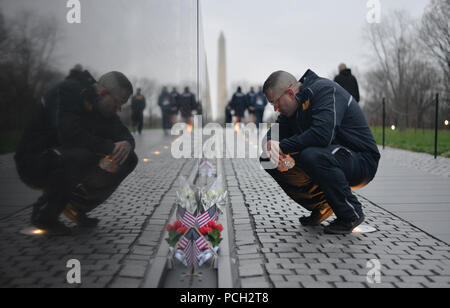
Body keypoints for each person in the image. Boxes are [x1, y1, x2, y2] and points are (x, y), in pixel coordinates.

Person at [14, 70, 138, 235]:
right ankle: (44, 215)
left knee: (128, 158)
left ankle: (76, 205)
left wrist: (127, 144)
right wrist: (109, 147)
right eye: (118, 102)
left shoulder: (103, 110)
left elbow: (123, 134)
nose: (119, 109)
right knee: (82, 156)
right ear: (103, 92)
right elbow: (70, 134)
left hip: (65, 157)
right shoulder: (67, 92)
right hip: (34, 160)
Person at [261, 69, 380, 234]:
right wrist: (271, 146)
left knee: (311, 155)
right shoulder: (291, 110)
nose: (275, 109)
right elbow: (274, 134)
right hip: (328, 157)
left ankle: (350, 213)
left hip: (361, 160)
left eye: (276, 103)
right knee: (269, 159)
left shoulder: (324, 90)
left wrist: (283, 147)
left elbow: (322, 135)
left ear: (289, 93)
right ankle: (323, 205)